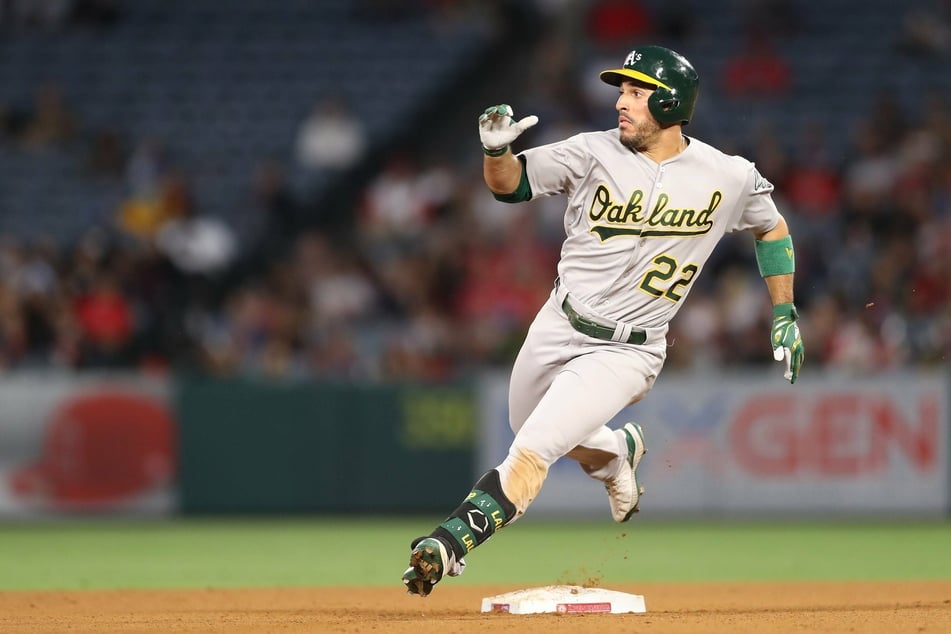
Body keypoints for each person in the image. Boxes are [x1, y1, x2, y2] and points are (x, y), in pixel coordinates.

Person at [401, 45, 804, 597]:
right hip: (558, 322)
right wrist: (496, 152)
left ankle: (449, 544)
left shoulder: (727, 175)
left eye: (636, 92)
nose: (621, 101)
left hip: (629, 350)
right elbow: (510, 184)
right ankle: (618, 455)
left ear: (670, 101)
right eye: (623, 90)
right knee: (530, 426)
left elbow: (773, 227)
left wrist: (784, 311)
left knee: (533, 449)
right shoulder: (591, 151)